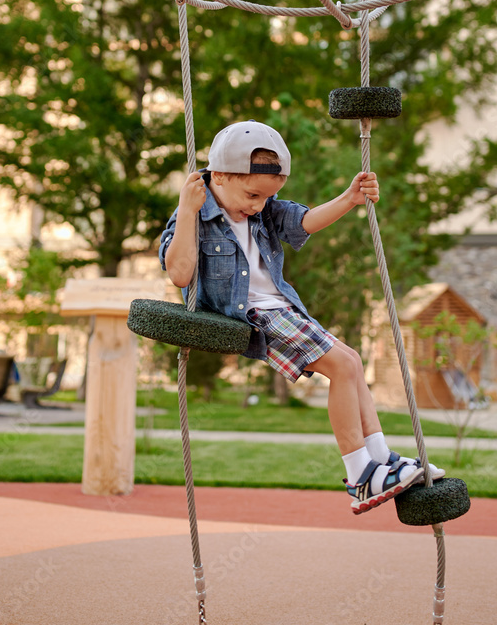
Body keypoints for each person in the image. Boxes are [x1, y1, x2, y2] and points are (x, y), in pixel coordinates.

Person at [159, 120, 443, 514]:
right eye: (252, 195)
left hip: (282, 307)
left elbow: (304, 221)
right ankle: (360, 475)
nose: (259, 206)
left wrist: (349, 198)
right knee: (341, 367)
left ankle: (381, 459)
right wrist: (188, 211)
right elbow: (179, 274)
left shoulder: (263, 209)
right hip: (251, 315)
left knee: (352, 361)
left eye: (267, 197)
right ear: (219, 175)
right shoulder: (193, 214)